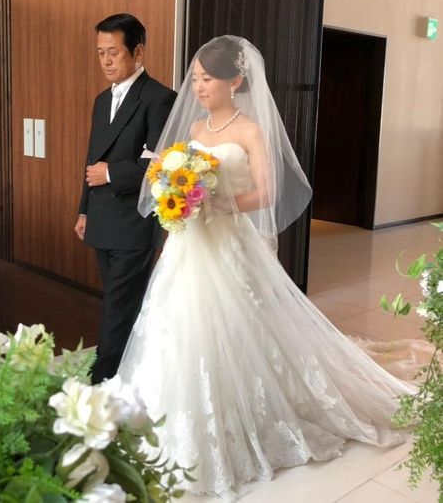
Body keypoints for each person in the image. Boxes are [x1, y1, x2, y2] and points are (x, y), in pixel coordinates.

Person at [117, 36, 414, 499]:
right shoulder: (193, 128)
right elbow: (175, 183)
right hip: (189, 245)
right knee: (177, 324)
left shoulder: (250, 131)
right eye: (195, 79)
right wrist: (178, 205)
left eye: (208, 79)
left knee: (238, 324)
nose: (199, 87)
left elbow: (269, 192)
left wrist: (221, 203)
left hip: (229, 241)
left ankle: (247, 414)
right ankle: (172, 415)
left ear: (235, 81)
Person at [75, 13, 176, 384]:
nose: (105, 61)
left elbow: (164, 165)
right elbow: (92, 160)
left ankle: (102, 379)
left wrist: (112, 174)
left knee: (118, 306)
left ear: (137, 52)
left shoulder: (160, 98)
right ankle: (128, 371)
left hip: (135, 221)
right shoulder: (102, 100)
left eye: (113, 52)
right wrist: (84, 210)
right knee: (121, 303)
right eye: (100, 52)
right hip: (102, 218)